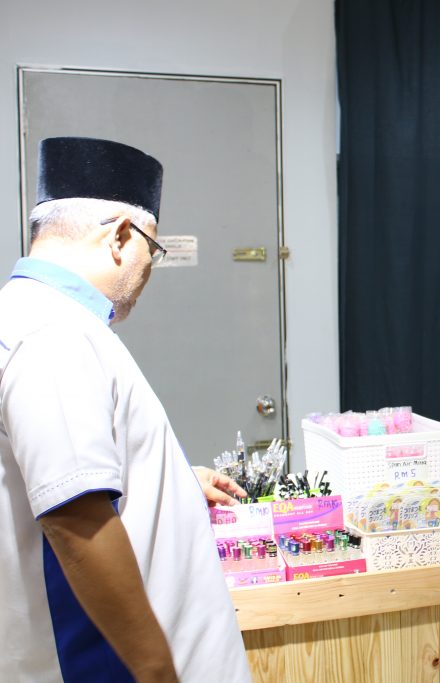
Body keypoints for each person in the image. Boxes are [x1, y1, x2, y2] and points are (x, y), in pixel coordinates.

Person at [0, 137, 252, 682]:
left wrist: (171, 483)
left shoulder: (34, 318)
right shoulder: (53, 335)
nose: (148, 271)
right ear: (119, 236)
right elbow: (75, 517)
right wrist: (155, 669)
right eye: (152, 250)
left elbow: (51, 473)